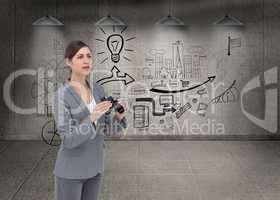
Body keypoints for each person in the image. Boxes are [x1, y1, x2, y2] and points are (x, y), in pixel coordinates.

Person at [52, 40, 127, 200]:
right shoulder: (61, 96)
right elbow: (68, 140)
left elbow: (107, 130)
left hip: (95, 167)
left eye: (89, 56)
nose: (86, 60)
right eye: (80, 57)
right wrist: (92, 117)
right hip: (71, 171)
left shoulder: (98, 89)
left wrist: (118, 116)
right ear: (68, 62)